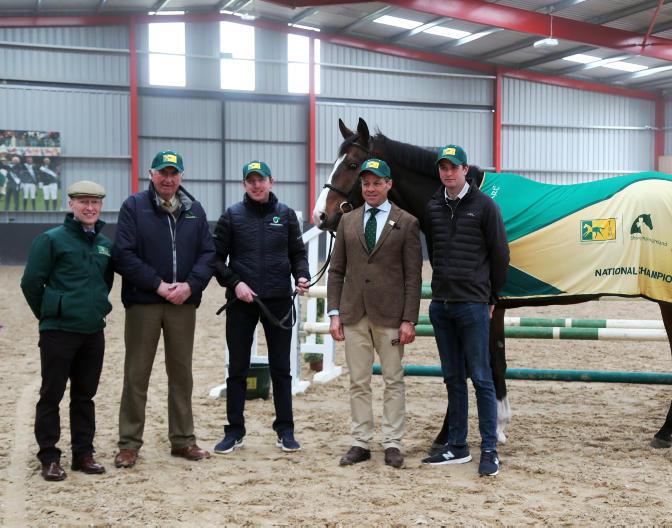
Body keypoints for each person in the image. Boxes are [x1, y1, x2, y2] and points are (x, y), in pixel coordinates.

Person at [112, 149, 215, 468]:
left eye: (173, 173)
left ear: (181, 176)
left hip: (182, 304)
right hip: (144, 303)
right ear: (151, 174)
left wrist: (190, 286)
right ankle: (129, 443)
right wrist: (157, 284)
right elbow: (123, 255)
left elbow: (208, 254)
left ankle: (183, 440)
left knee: (181, 374)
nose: (168, 179)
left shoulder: (195, 210)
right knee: (136, 373)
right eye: (162, 173)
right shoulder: (133, 207)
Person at [326, 158, 422, 468]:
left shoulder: (407, 222)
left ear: (389, 185)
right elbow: (336, 270)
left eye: (377, 183)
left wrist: (409, 319)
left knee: (393, 380)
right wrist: (334, 312)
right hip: (354, 313)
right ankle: (361, 441)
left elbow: (413, 276)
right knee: (358, 381)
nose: (370, 188)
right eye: (366, 183)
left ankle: (393, 442)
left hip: (391, 316)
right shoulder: (348, 221)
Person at [420, 145, 509, 477]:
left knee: (481, 377)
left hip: (472, 304)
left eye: (453, 167)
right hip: (441, 304)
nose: (448, 173)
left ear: (465, 170)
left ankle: (489, 449)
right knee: (453, 378)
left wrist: (491, 296)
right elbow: (434, 251)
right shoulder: (433, 206)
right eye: (443, 167)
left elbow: (500, 254)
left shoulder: (485, 206)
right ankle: (457, 446)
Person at [212, 160, 310, 454]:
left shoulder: (286, 215)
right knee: (237, 369)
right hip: (241, 301)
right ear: (244, 184)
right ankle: (234, 431)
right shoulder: (231, 216)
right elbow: (215, 260)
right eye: (251, 180)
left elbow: (298, 253)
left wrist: (302, 275)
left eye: (261, 179)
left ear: (271, 181)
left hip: (278, 301)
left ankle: (285, 430)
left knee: (282, 369)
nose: (256, 185)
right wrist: (235, 283)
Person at [20, 181, 113, 481]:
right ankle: (49, 457)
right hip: (58, 331)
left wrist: (95, 309)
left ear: (100, 206)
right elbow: (31, 283)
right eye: (83, 201)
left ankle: (83, 454)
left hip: (92, 331)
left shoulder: (104, 244)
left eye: (95, 202)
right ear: (70, 204)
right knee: (52, 394)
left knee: (85, 396)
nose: (89, 207)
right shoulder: (51, 240)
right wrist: (51, 312)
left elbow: (105, 283)